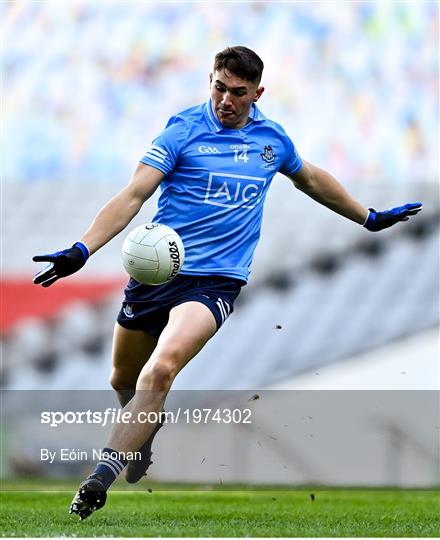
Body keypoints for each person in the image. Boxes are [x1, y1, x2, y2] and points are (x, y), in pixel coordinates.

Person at [33, 46, 422, 520]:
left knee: (160, 371)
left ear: (258, 93)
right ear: (210, 81)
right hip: (157, 275)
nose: (226, 100)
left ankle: (100, 476)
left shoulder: (271, 140)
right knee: (122, 380)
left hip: (215, 282)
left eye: (238, 93)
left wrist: (368, 216)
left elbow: (311, 179)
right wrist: (82, 249)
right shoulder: (182, 130)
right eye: (219, 87)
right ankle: (143, 436)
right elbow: (134, 193)